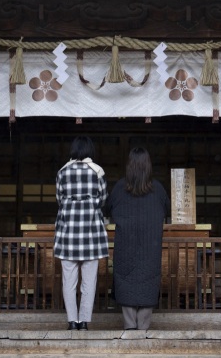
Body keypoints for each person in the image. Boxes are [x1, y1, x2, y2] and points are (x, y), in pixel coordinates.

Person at [103, 147, 170, 331]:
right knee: (148, 282)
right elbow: (167, 210)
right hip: (150, 247)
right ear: (148, 166)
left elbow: (107, 209)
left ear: (129, 166)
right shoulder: (158, 189)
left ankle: (130, 327)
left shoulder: (119, 188)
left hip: (125, 246)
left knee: (126, 284)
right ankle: (144, 330)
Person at [54, 135, 108, 331]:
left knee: (68, 282)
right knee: (89, 282)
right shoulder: (98, 172)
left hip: (67, 236)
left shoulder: (62, 172)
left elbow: (59, 199)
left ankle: (71, 321)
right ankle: (84, 321)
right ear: (90, 150)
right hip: (91, 237)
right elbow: (103, 199)